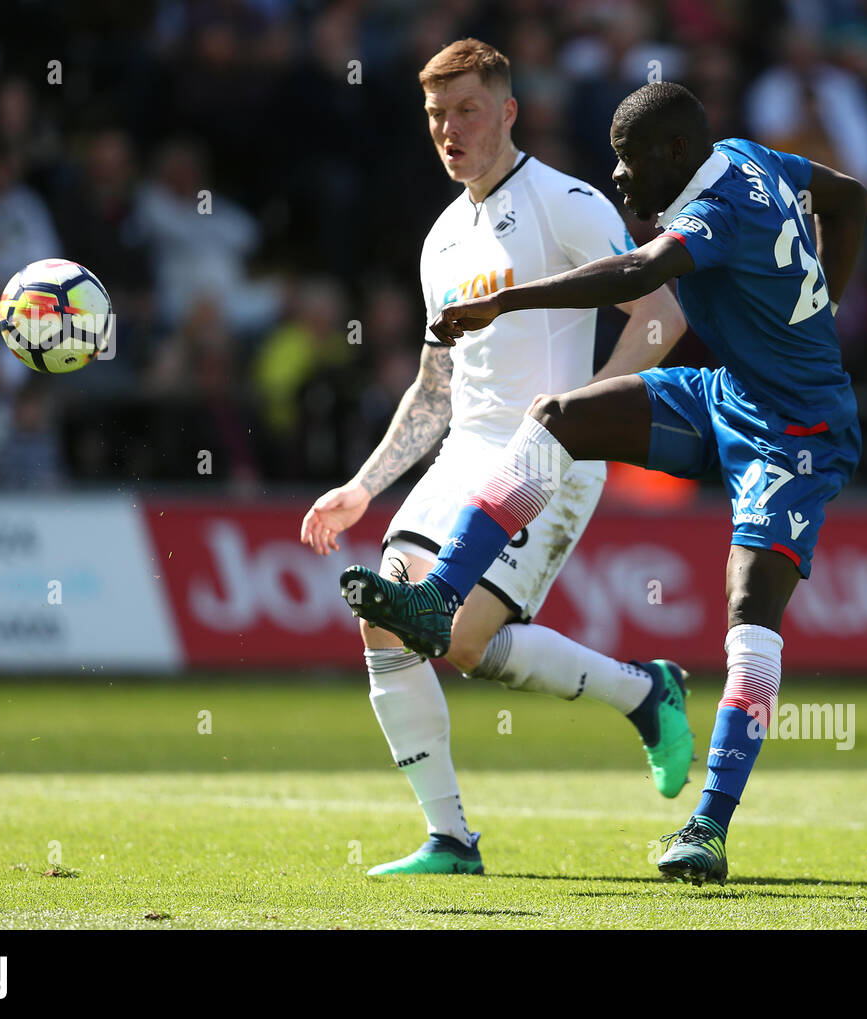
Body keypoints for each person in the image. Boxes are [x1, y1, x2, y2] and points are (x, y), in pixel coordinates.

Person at [340, 82, 867, 887]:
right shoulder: (751, 158)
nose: (619, 180)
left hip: (797, 433)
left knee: (747, 613)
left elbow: (637, 272)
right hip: (728, 392)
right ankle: (437, 595)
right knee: (560, 416)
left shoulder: (715, 209)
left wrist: (508, 300)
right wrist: (825, 297)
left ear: (673, 156)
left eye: (629, 164)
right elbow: (849, 195)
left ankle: (710, 825)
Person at [301, 40, 691, 877]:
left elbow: (659, 313)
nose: (450, 130)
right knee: (392, 621)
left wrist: (582, 413)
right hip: (463, 454)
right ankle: (449, 837)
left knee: (462, 638)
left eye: (468, 110)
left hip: (549, 453)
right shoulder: (441, 238)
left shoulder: (565, 203)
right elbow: (435, 386)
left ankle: (644, 691)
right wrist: (363, 486)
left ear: (509, 111)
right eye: (437, 115)